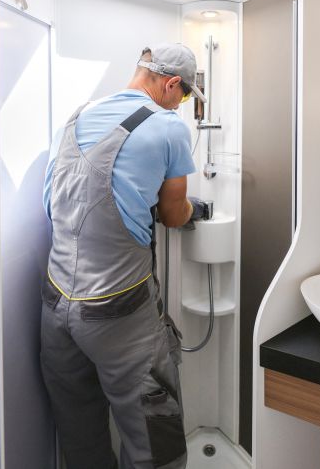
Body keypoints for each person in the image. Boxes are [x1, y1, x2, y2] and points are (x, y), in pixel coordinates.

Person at [40, 43, 208, 469]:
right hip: (117, 311)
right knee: (154, 430)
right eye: (186, 95)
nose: (183, 104)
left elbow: (52, 201)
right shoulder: (169, 127)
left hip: (55, 303)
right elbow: (173, 215)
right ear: (172, 85)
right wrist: (193, 209)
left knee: (78, 427)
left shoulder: (78, 115)